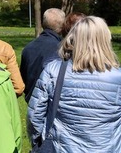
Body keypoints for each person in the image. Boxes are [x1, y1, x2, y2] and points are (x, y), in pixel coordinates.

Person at [28, 16, 121, 152]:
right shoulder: (117, 77)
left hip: (61, 148)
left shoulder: (54, 70)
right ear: (105, 39)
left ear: (73, 38)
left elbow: (35, 114)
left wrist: (37, 140)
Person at [20, 8, 65, 103]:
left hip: (33, 100)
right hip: (53, 102)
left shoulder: (28, 47)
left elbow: (23, 78)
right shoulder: (61, 50)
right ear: (62, 26)